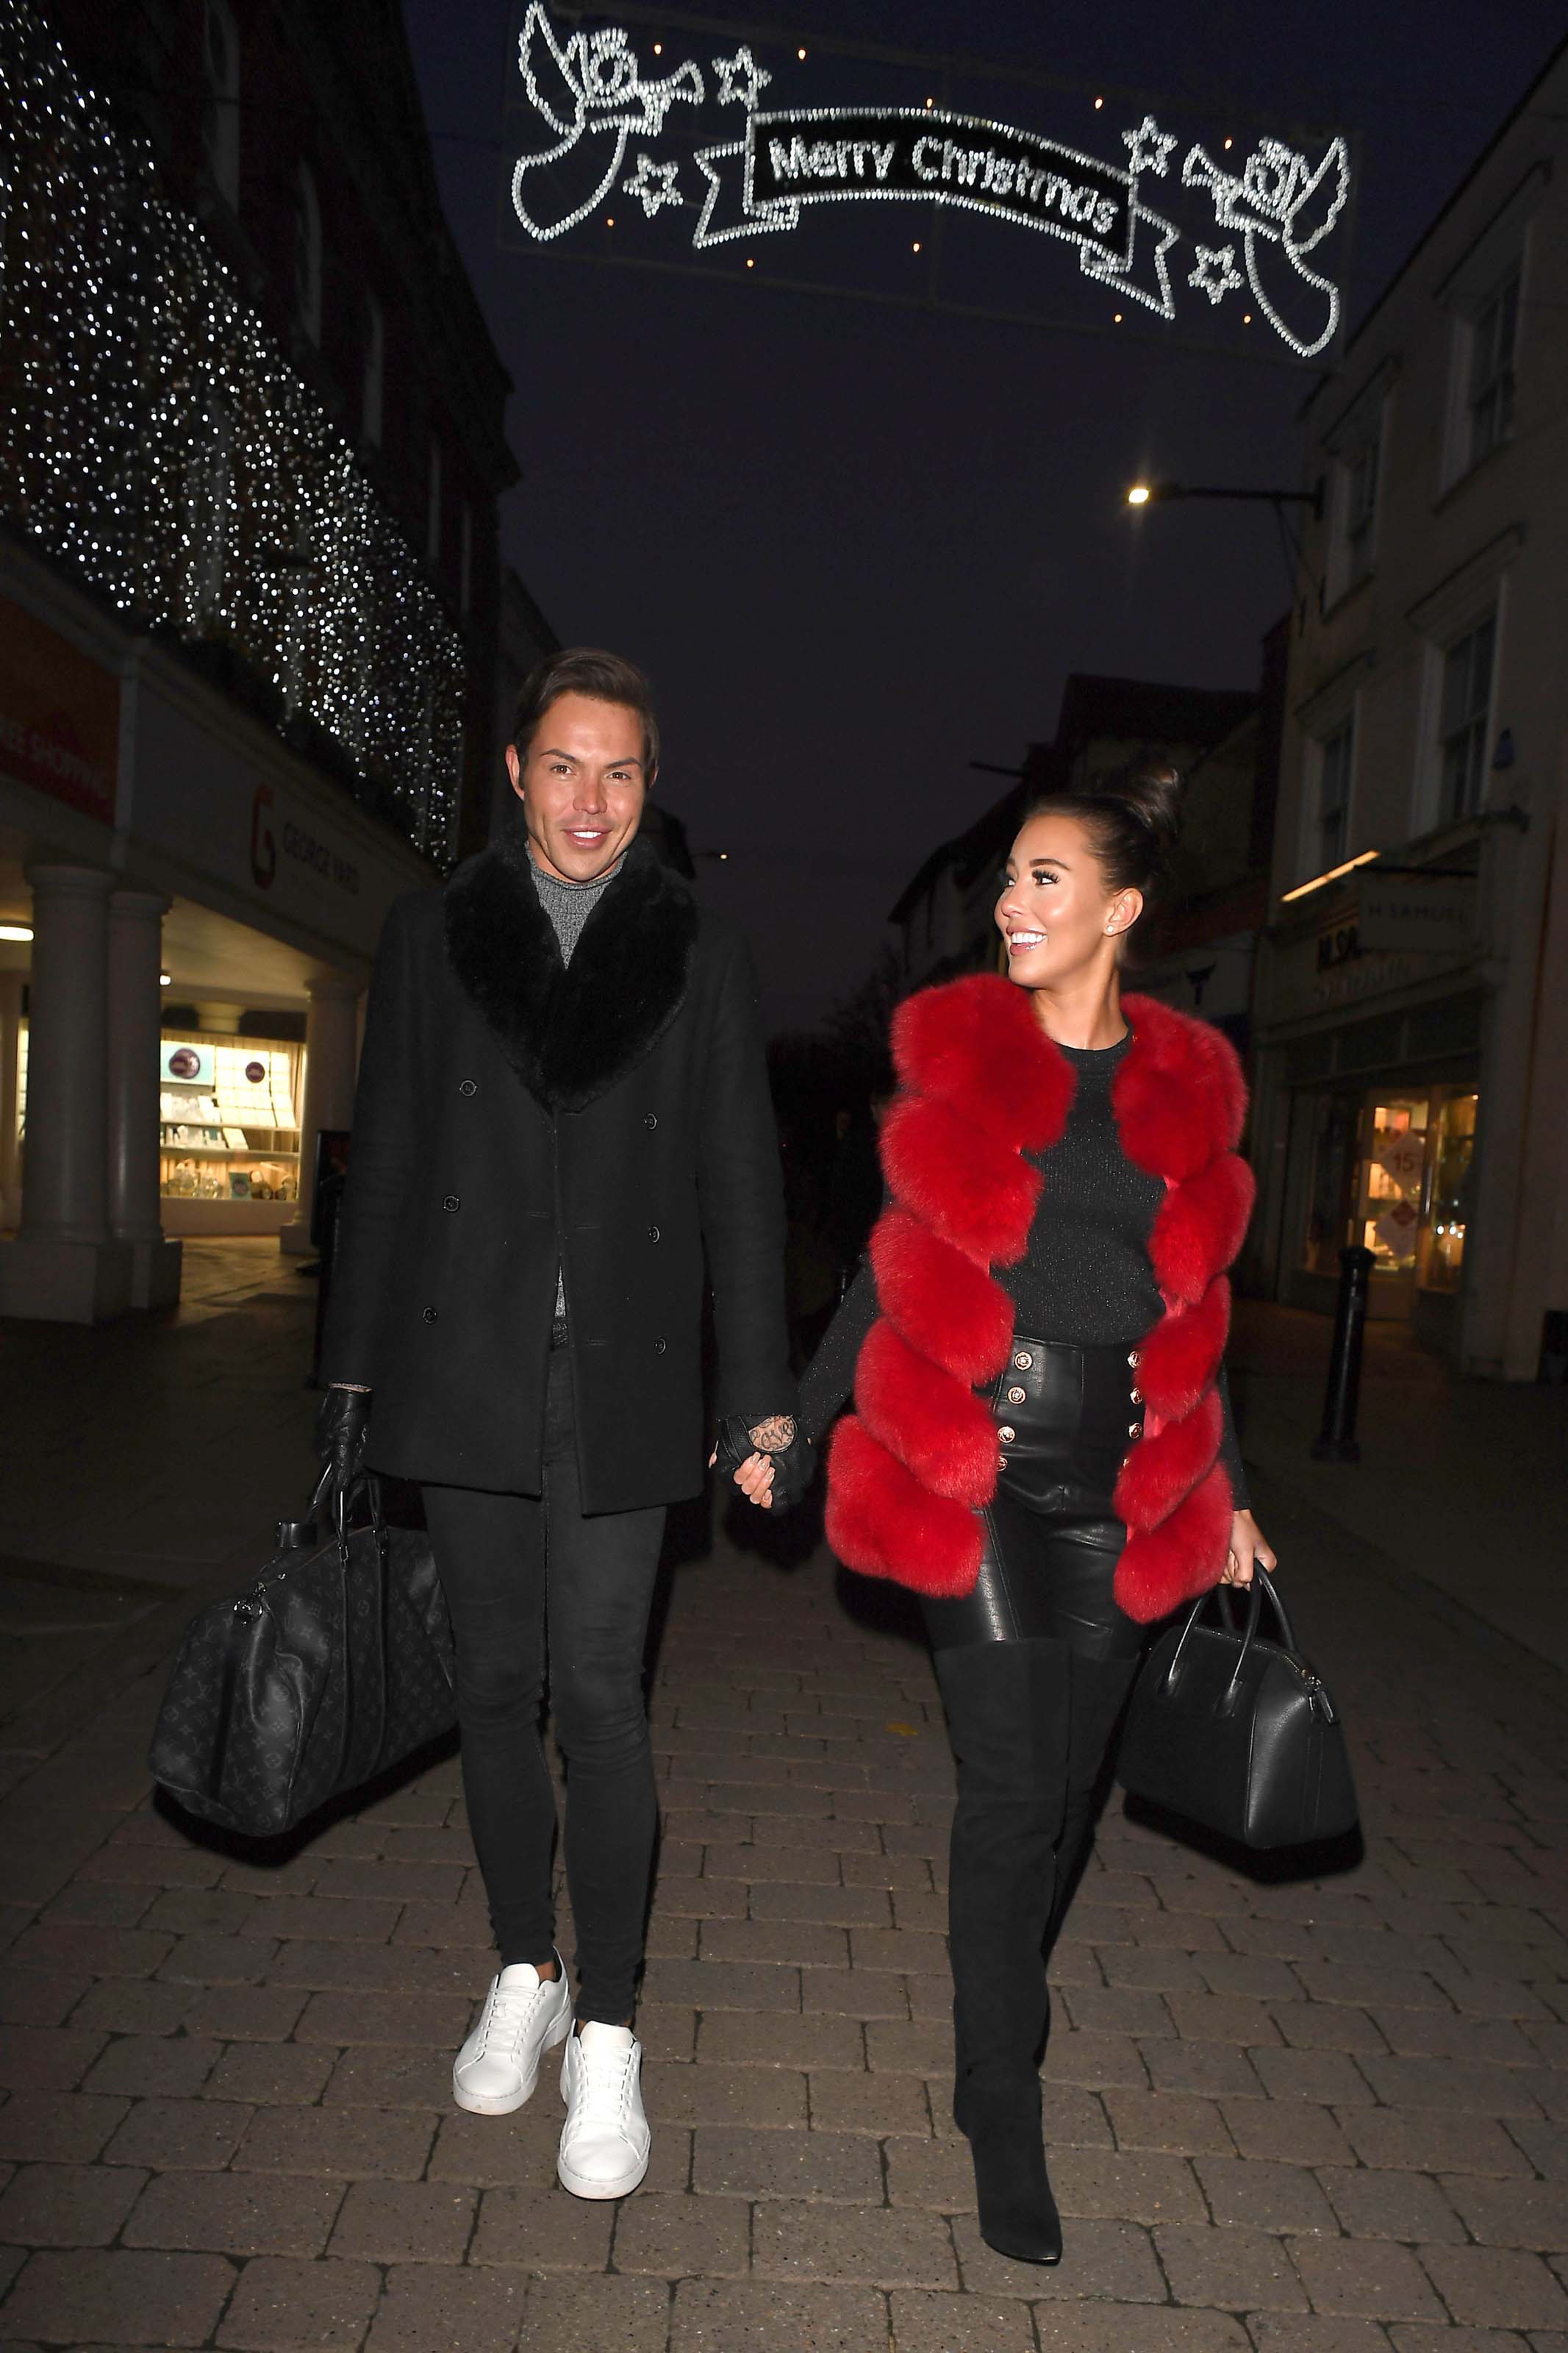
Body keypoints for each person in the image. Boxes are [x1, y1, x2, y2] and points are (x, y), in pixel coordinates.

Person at [731, 762, 1274, 2264]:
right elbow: (888, 1261)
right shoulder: (967, 1057)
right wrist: (797, 1420)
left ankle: (992, 2002)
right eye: (1009, 879)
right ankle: (1001, 2098)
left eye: (1044, 877)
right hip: (973, 1462)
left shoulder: (1187, 1085)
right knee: (1009, 1785)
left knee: (1069, 1794)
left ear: (1122, 906)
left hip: (1123, 1479)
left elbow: (1196, 1311)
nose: (1011, 904)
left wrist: (1227, 1491)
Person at [314, 649, 809, 2202]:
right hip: (462, 1366)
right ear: (517, 773)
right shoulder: (431, 934)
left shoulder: (698, 951)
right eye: (564, 766)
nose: (590, 800)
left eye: (621, 771)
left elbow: (739, 1179)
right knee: (491, 1690)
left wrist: (761, 1399)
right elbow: (389, 1160)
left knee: (599, 1697)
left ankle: (609, 2027)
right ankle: (522, 1969)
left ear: (650, 787)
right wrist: (346, 1386)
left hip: (623, 1378)